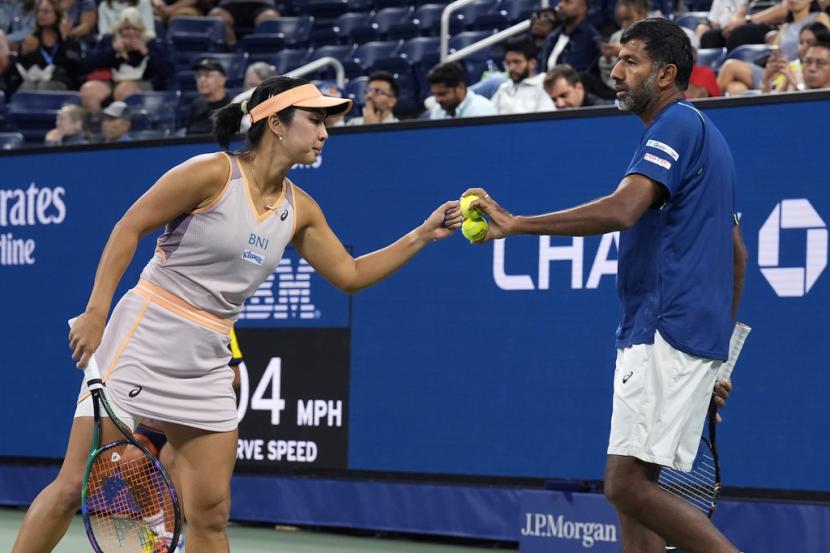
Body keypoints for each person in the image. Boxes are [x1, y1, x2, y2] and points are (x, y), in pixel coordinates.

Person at [12, 75, 462, 553]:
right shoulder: (211, 174)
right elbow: (129, 227)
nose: (326, 132)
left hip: (208, 356)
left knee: (210, 514)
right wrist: (96, 310)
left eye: (327, 122)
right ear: (276, 124)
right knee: (70, 488)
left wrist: (419, 235)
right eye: (315, 120)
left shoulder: (300, 210)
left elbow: (349, 274)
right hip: (145, 333)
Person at [460, 19, 748, 553]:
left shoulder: (676, 127)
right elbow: (737, 257)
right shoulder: (709, 138)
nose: (615, 72)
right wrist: (720, 359)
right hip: (681, 335)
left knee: (625, 485)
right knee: (636, 493)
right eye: (617, 60)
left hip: (665, 329)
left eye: (630, 61)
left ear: (665, 74)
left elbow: (622, 209)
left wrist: (517, 224)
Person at [489, 35, 556, 115]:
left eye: (517, 62)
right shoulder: (504, 88)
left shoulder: (544, 87)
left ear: (532, 63)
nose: (511, 68)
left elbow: (545, 122)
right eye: (508, 63)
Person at [538, 0, 601, 72]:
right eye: (560, 1)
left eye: (568, 2)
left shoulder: (591, 38)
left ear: (583, 8)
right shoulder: (553, 36)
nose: (561, 5)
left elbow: (577, 73)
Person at [427, 61, 496, 119]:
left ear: (460, 87)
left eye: (442, 94)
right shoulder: (438, 111)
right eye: (435, 94)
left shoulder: (482, 111)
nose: (437, 100)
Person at [186, 57, 230, 135]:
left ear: (222, 80)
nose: (202, 80)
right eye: (198, 76)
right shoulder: (196, 105)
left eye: (208, 75)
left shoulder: (233, 105)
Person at [543, 63, 613, 107]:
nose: (560, 104)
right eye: (554, 99)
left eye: (563, 95)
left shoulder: (602, 113)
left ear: (579, 87)